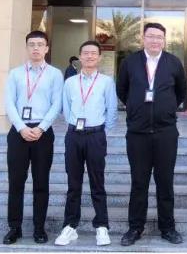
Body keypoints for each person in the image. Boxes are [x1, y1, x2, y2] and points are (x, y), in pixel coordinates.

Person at [116, 22, 187, 246]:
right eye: (151, 36)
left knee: (165, 182)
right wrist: (136, 110)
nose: (155, 40)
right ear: (143, 38)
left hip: (166, 133)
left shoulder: (173, 62)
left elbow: (181, 92)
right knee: (139, 182)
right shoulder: (130, 62)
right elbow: (122, 90)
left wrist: (165, 109)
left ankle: (168, 228)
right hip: (138, 133)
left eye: (159, 37)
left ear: (164, 40)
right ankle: (135, 228)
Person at [53, 41, 118, 246]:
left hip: (96, 135)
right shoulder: (70, 82)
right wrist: (75, 126)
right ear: (79, 57)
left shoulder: (106, 82)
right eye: (86, 53)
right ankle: (70, 226)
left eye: (93, 53)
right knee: (73, 184)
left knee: (97, 182)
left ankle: (101, 226)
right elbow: (65, 108)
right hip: (74, 135)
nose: (89, 56)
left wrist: (101, 131)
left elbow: (112, 109)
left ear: (99, 57)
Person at [2, 30, 64, 245]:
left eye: (40, 44)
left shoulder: (55, 74)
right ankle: (14, 227)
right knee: (16, 182)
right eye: (32, 44)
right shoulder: (15, 74)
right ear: (27, 47)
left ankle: (39, 228)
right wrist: (20, 127)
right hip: (18, 133)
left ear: (47, 48)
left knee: (41, 182)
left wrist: (42, 127)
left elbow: (57, 104)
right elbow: (9, 102)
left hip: (42, 134)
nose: (36, 48)